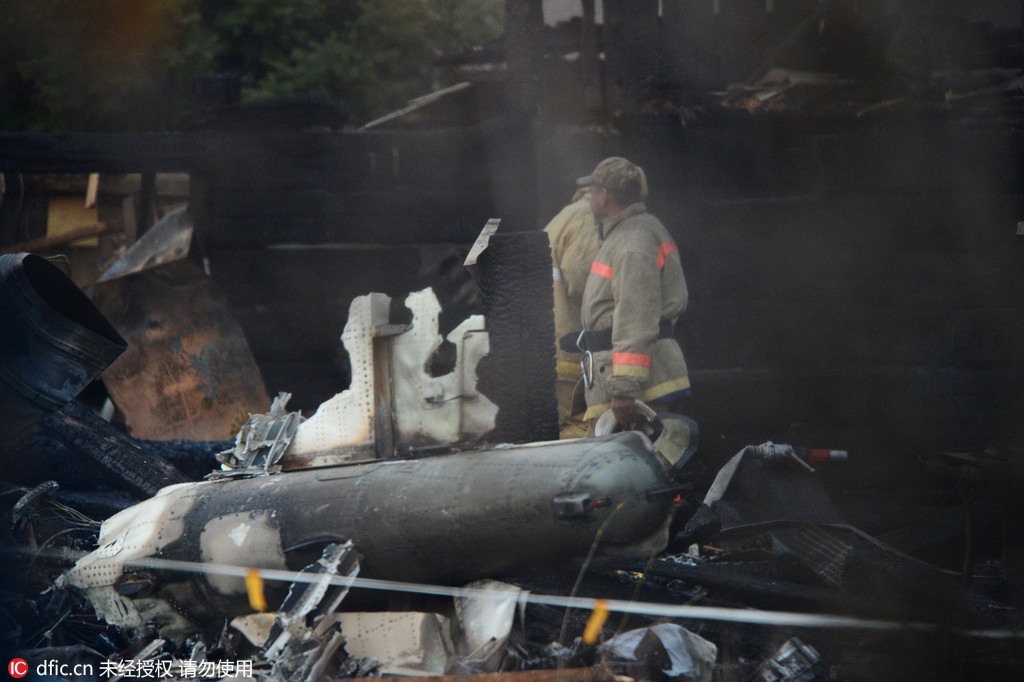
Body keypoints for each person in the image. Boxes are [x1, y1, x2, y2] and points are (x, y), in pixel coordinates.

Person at [573, 157, 693, 430]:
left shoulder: (632, 242)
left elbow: (636, 315)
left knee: (628, 468)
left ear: (604, 197)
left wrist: (626, 387)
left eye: (592, 192)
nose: (590, 199)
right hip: (628, 379)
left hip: (639, 392)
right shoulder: (628, 235)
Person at [545, 188, 599, 438]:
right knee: (579, 427)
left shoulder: (565, 217)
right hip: (568, 353)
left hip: (551, 348)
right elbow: (586, 282)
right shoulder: (587, 218)